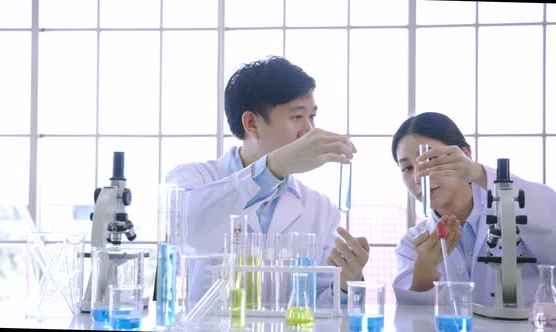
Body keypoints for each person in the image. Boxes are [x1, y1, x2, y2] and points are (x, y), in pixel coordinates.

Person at [165, 56, 369, 304]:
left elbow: (322, 305)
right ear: (252, 123)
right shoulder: (192, 179)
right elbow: (189, 234)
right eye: (297, 117)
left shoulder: (320, 209)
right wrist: (274, 167)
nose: (309, 130)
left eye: (312, 117)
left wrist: (346, 284)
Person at [390, 111, 556, 305]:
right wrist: (424, 271)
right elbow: (411, 321)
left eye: (429, 159)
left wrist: (477, 172)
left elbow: (550, 217)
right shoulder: (412, 244)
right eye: (407, 168)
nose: (419, 178)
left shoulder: (520, 210)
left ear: (465, 154)